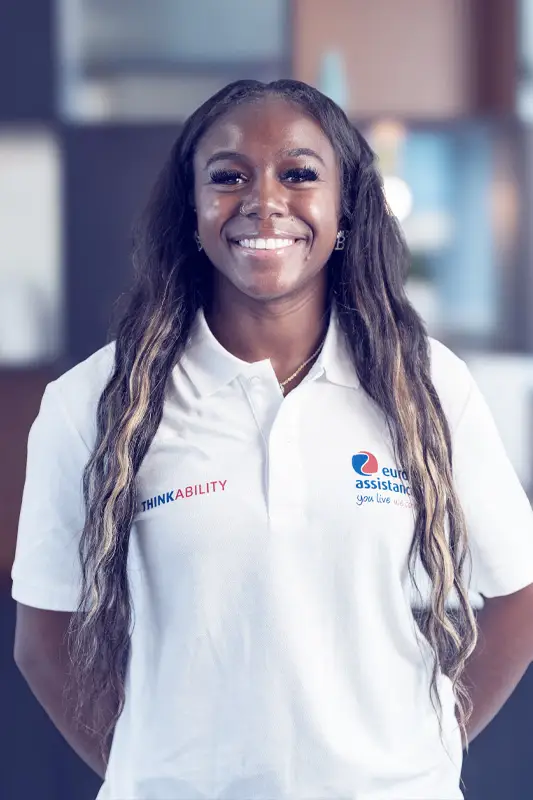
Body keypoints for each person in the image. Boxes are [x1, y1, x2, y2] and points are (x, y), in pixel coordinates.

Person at [11, 79, 533, 800]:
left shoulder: (428, 386)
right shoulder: (91, 405)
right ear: (192, 212)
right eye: (227, 177)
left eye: (298, 174)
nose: (263, 200)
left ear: (343, 209)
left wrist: (425, 752)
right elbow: (44, 638)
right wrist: (153, 772)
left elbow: (519, 592)